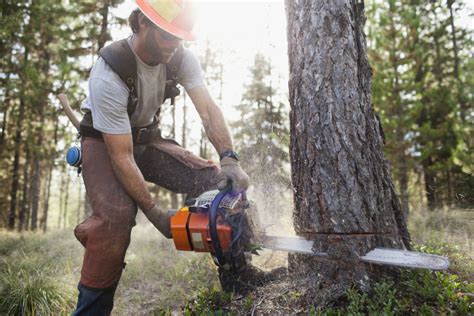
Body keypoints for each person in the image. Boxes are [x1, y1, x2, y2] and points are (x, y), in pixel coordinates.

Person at [72, 1, 249, 314]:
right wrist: (154, 212)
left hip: (145, 137)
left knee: (217, 182)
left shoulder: (180, 57)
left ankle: (239, 277)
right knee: (115, 220)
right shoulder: (110, 70)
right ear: (141, 23)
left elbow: (207, 110)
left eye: (180, 37)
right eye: (168, 35)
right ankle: (90, 310)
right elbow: (122, 157)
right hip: (104, 142)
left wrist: (229, 158)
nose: (174, 44)